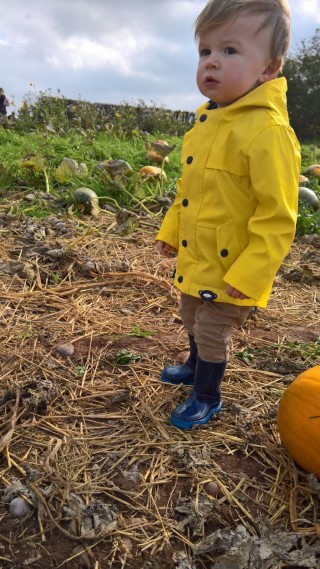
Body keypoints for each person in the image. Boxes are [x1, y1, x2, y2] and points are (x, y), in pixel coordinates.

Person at [156, 0, 301, 430]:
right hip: (198, 257)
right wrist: (170, 230)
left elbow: (278, 217)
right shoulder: (205, 124)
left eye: (230, 51)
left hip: (234, 269)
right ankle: (194, 364)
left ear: (268, 69)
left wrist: (252, 273)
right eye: (205, 51)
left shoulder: (268, 132)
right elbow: (189, 193)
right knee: (189, 316)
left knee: (213, 331)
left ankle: (206, 395)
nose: (212, 62)